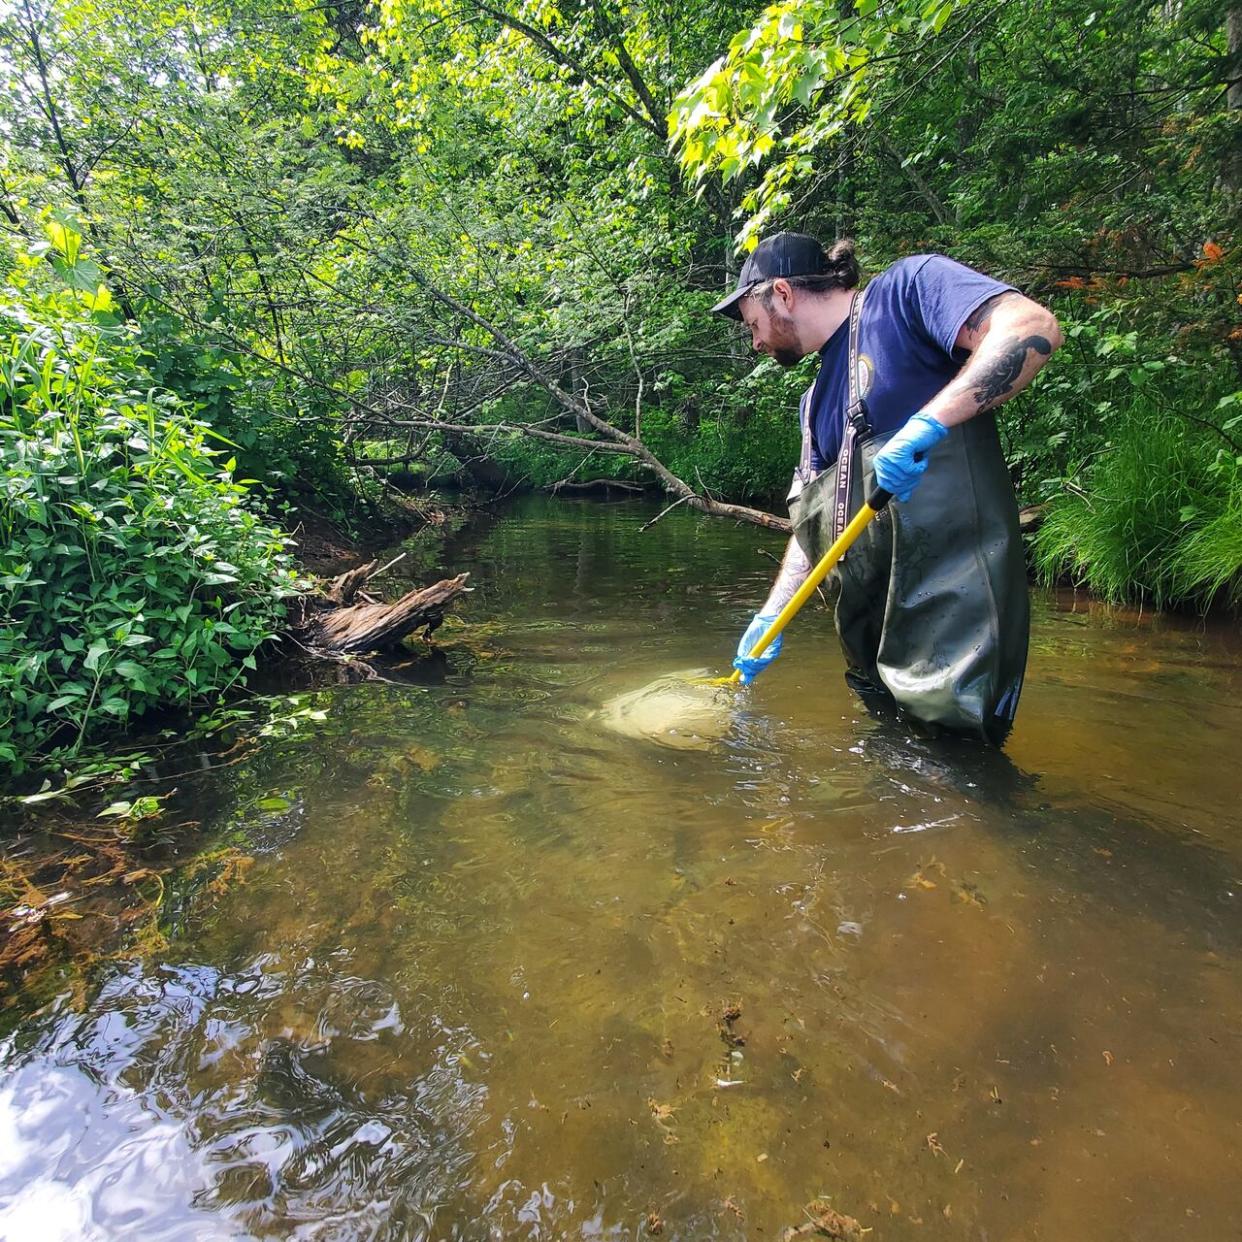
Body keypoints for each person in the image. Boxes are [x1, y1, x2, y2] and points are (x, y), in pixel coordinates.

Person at [712, 233, 1062, 743]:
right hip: (873, 656)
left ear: (782, 293)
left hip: (951, 640)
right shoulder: (812, 407)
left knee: (955, 780)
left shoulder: (907, 292)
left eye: (753, 324)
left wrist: (931, 423)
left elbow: (1033, 327)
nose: (756, 343)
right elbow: (810, 527)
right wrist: (772, 613)